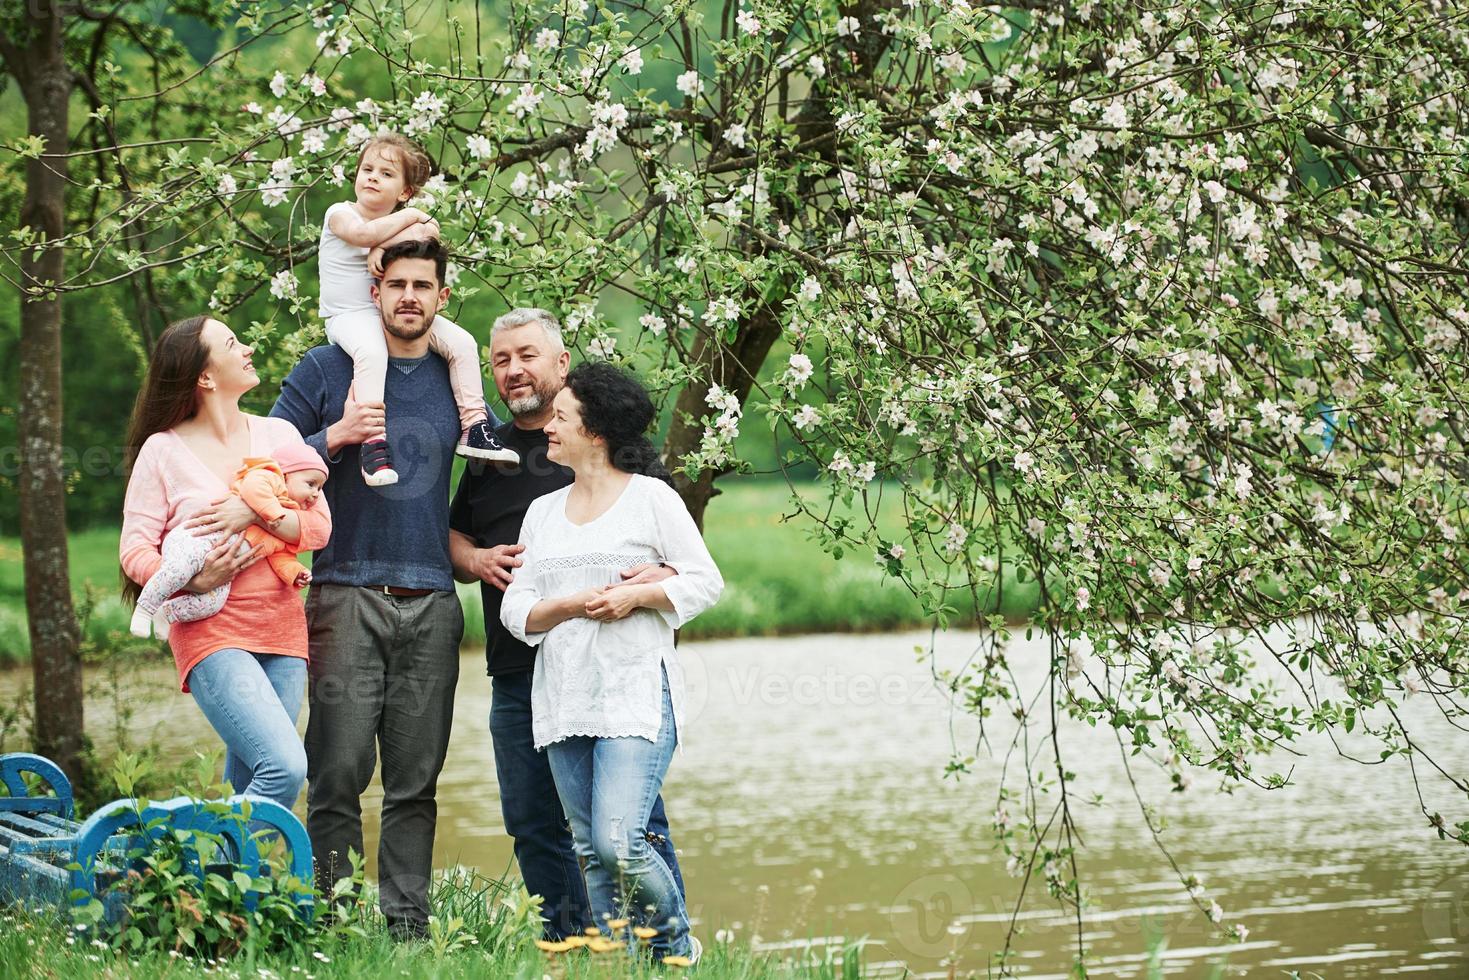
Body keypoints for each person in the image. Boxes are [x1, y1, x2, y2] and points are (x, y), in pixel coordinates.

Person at [448, 309, 686, 940]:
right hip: (518, 667)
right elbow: (458, 535)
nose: (513, 370)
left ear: (561, 363)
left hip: (612, 672)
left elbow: (678, 565)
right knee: (538, 824)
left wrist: (642, 590)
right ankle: (576, 946)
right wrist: (472, 559)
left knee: (630, 828)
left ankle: (667, 947)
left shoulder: (620, 459)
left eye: (526, 354)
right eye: (499, 360)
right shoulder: (487, 452)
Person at [271, 237, 466, 940]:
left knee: (416, 783)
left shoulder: (456, 379)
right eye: (397, 284)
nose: (409, 297)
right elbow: (263, 458)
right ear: (375, 289)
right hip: (343, 593)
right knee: (337, 773)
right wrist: (339, 434)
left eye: (424, 286)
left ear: (442, 297)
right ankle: (337, 924)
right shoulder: (328, 367)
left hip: (434, 602)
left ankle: (408, 932)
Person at [500, 362, 723, 963]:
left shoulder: (651, 498)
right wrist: (570, 604)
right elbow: (515, 612)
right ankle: (620, 965)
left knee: (619, 841)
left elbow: (705, 582)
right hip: (563, 698)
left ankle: (677, 947)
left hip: (634, 695)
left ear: (594, 432)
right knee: (591, 851)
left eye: (562, 417)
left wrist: (636, 594)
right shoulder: (542, 513)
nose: (548, 425)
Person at [120, 316, 333, 811]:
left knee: (253, 784)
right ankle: (205, 875)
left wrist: (259, 511)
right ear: (205, 377)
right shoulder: (163, 450)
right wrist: (193, 581)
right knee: (285, 767)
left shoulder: (279, 433)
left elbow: (319, 527)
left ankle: (215, 885)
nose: (249, 347)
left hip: (281, 629)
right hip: (210, 632)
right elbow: (135, 550)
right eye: (234, 343)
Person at [318, 131, 516, 485]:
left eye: (386, 173)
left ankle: (475, 427)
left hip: (393, 313)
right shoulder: (340, 213)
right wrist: (406, 224)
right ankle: (373, 445)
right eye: (368, 169)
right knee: (372, 353)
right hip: (349, 316)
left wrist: (393, 239)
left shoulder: (409, 221)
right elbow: (363, 235)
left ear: (405, 192)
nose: (373, 177)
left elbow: (432, 232)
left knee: (463, 343)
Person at [130, 443, 328, 640]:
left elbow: (281, 556)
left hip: (223, 565)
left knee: (212, 604)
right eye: (310, 484)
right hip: (199, 540)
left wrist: (295, 573)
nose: (316, 494)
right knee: (179, 570)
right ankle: (145, 608)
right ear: (286, 475)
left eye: (320, 488)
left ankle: (167, 613)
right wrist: (272, 514)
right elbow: (253, 489)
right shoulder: (270, 477)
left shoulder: (284, 519)